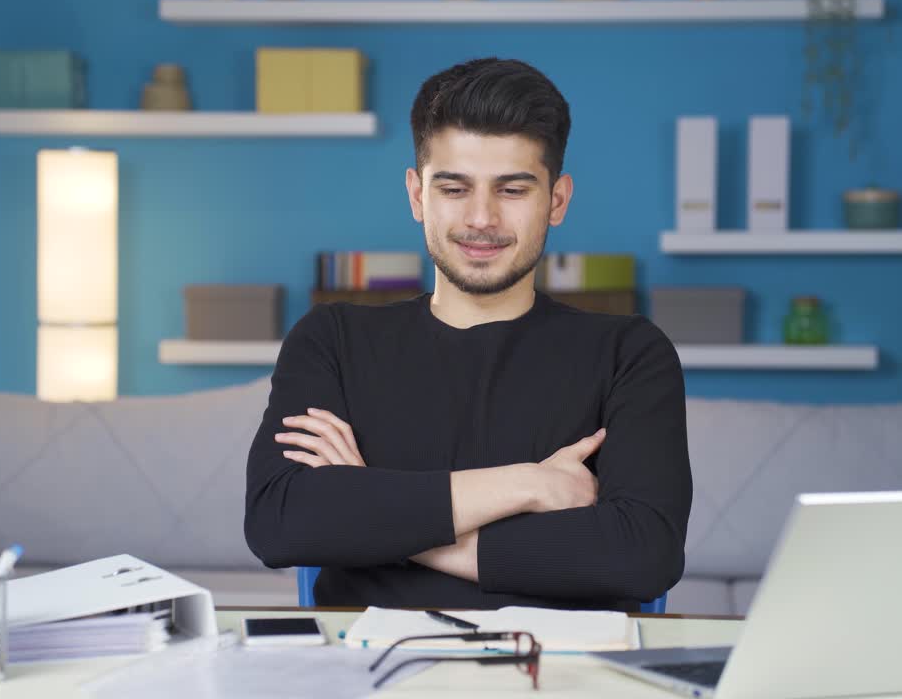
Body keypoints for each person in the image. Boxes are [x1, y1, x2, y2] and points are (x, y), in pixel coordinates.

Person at [244, 57, 691, 611]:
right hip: (366, 672)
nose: (481, 218)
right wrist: (528, 484)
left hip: (562, 673)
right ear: (417, 195)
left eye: (511, 190)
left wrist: (376, 514)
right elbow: (281, 521)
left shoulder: (629, 354)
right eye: (454, 188)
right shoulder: (332, 340)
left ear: (556, 200)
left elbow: (642, 554)